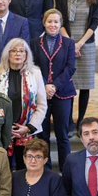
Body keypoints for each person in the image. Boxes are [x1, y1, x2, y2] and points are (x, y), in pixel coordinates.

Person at [55, 0, 98, 129]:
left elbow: (94, 22)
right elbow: (59, 21)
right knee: (68, 83)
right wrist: (71, 44)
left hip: (86, 45)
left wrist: (80, 44)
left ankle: (80, 121)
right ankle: (67, 121)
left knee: (84, 85)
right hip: (66, 43)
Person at [0, 38, 48, 170]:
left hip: (27, 132)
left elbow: (42, 105)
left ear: (26, 55)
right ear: (7, 54)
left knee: (25, 170)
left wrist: (28, 128)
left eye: (22, 51)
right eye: (14, 51)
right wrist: (4, 128)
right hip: (2, 132)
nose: (18, 54)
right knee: (4, 171)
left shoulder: (35, 74)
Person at [31, 9, 76, 170]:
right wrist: (44, 85)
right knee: (42, 134)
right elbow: (33, 66)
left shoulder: (69, 43)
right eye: (49, 21)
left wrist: (54, 85)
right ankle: (46, 169)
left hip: (62, 93)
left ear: (60, 24)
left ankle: (66, 170)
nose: (53, 25)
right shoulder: (35, 43)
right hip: (41, 93)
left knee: (62, 134)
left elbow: (70, 68)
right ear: (44, 23)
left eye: (56, 22)